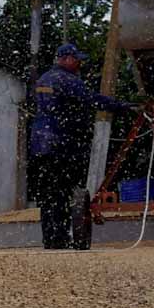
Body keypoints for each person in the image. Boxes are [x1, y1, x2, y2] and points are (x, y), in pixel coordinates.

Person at [30, 43, 131, 249]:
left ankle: (51, 238)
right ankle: (60, 239)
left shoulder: (43, 79)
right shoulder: (69, 80)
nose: (79, 63)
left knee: (48, 194)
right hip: (62, 144)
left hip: (41, 144)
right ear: (66, 58)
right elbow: (91, 99)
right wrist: (121, 107)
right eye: (77, 59)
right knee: (62, 192)